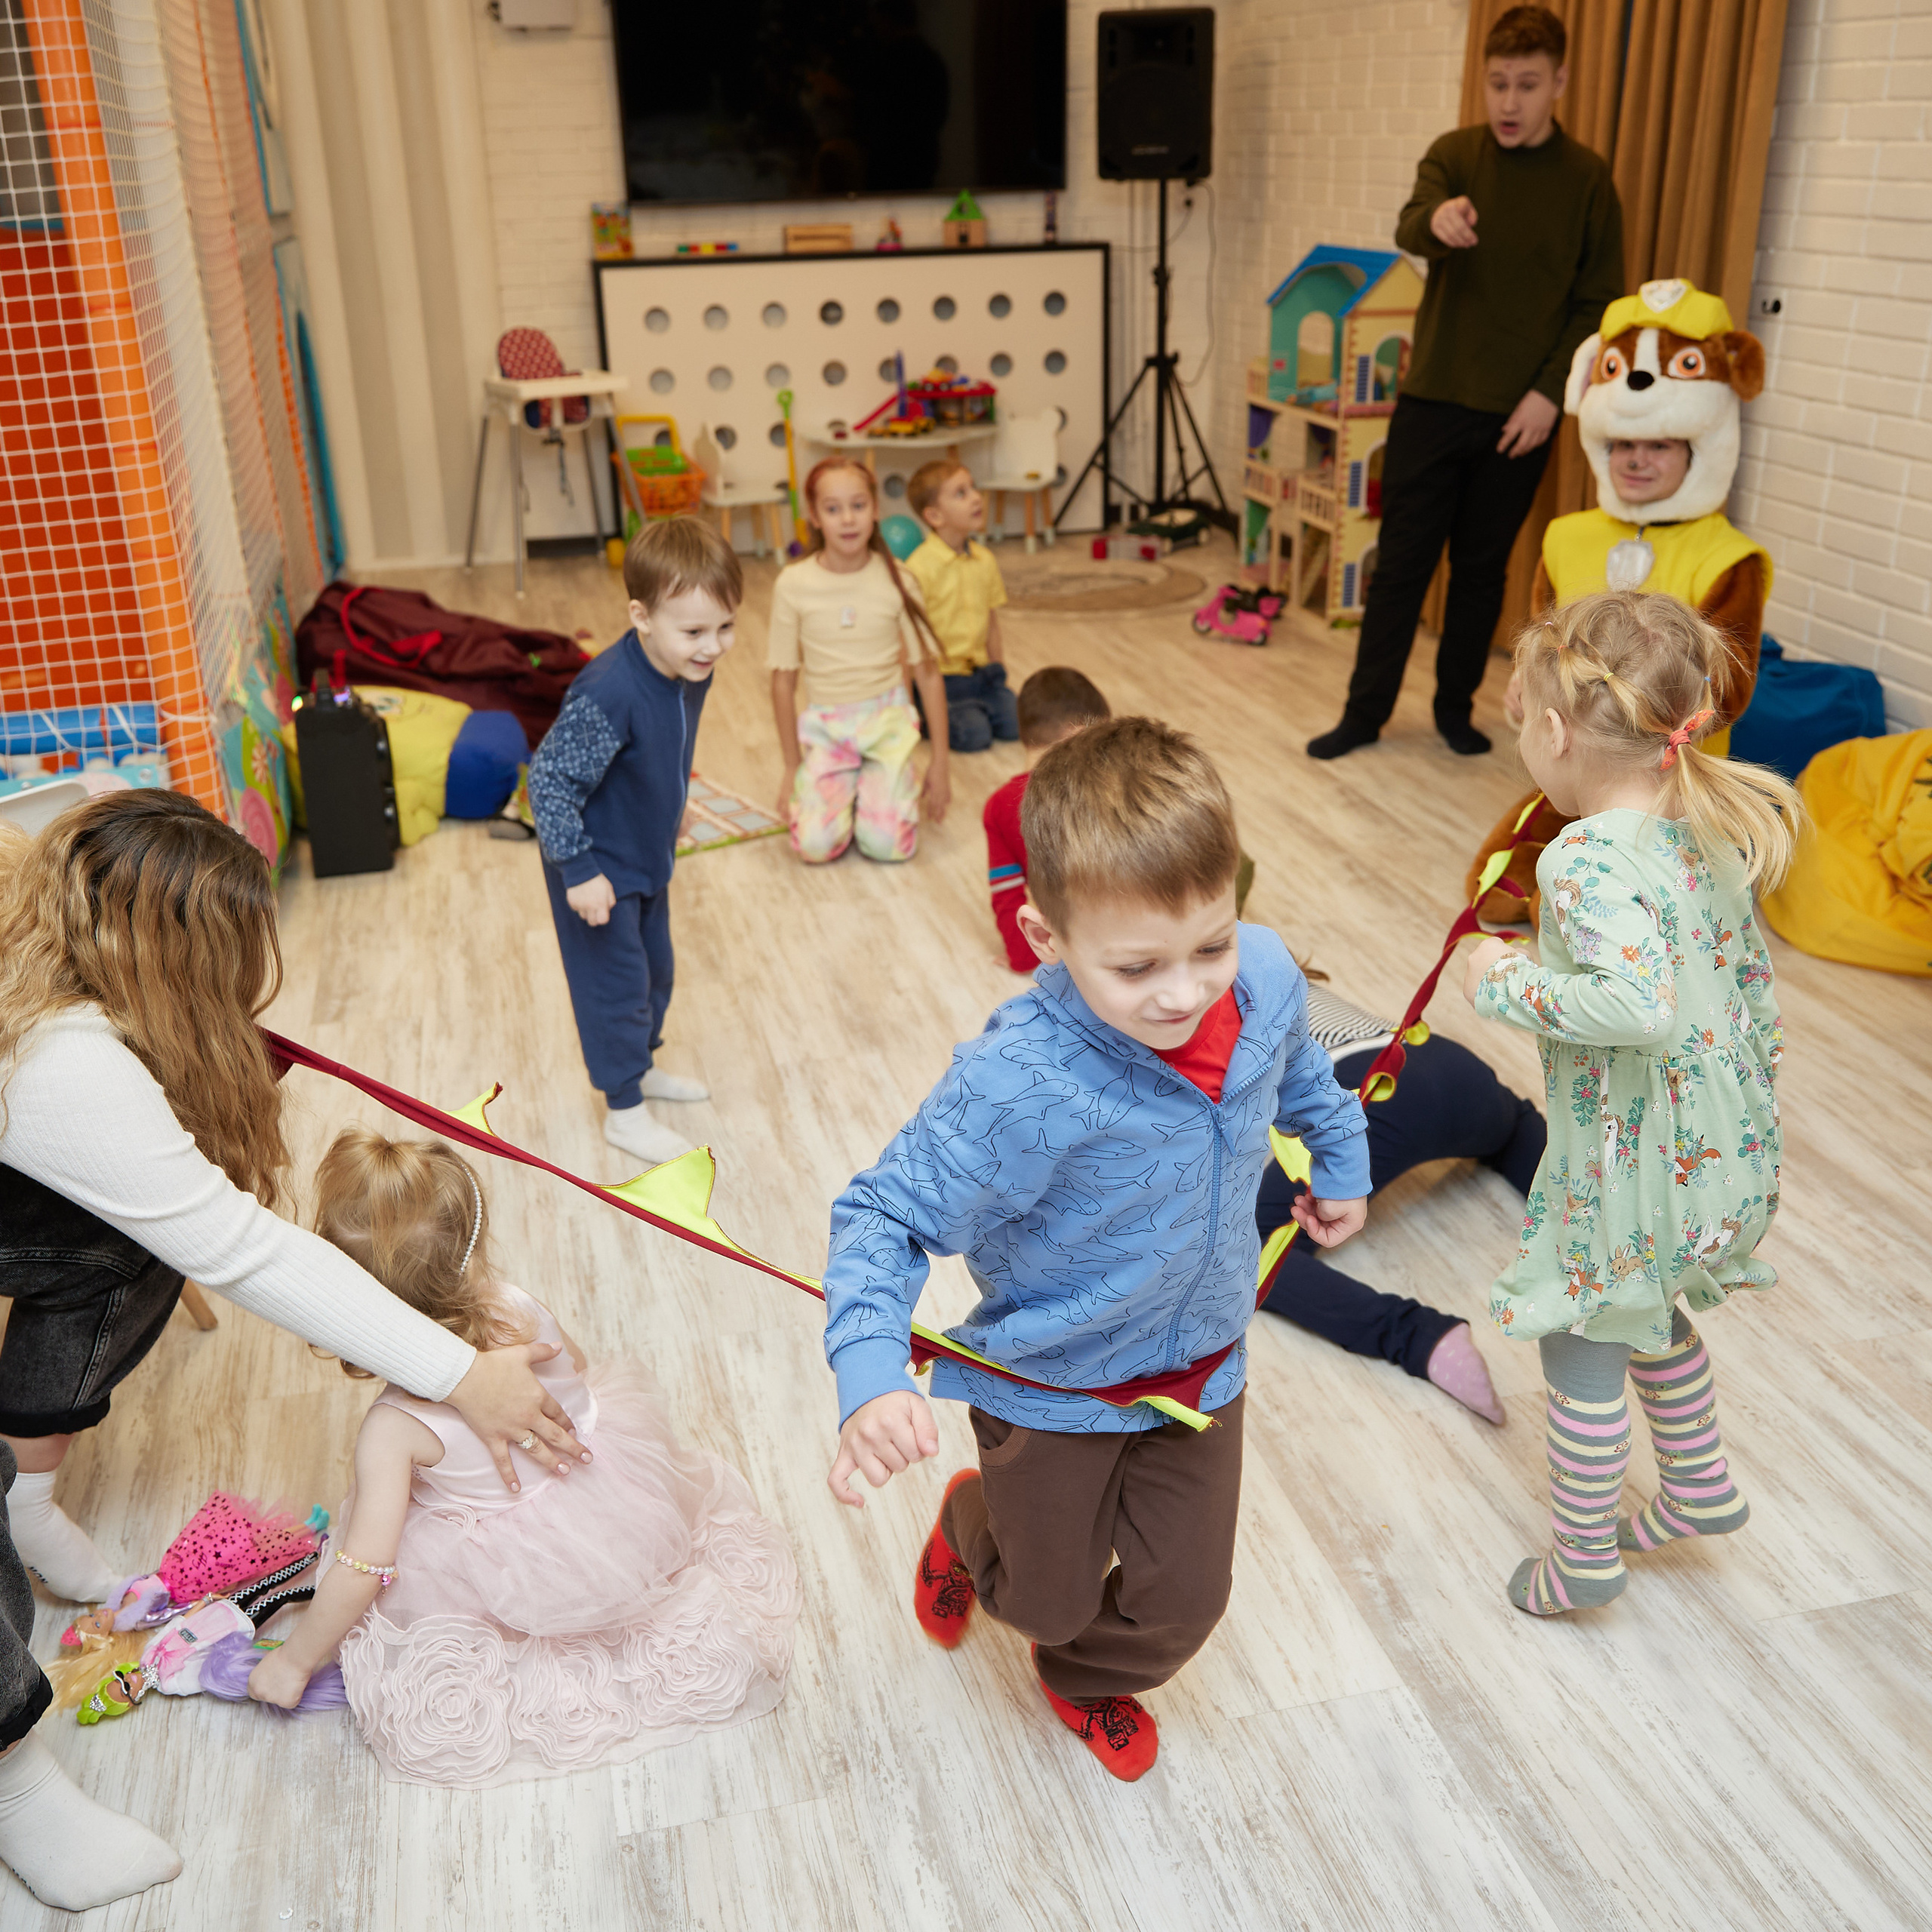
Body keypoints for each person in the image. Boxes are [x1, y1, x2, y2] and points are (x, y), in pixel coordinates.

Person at [0, 792, 584, 1911]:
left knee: (125, 1241)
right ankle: (15, 1780)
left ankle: (25, 1495)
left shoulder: (43, 898)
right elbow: (240, 1247)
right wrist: (462, 1375)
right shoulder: (66, 1064)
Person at [821, 718, 1370, 1781]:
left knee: (1183, 1606)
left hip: (1205, 1364)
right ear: (1045, 936)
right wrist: (869, 1373)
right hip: (1053, 1385)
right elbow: (881, 1216)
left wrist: (1337, 1159)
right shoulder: (1015, 1084)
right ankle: (971, 1520)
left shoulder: (1262, 976)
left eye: (1210, 942)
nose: (1185, 990)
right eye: (1136, 965)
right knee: (1044, 1597)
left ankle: (1081, 1682)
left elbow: (1301, 1070)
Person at [248, 1129, 800, 1784]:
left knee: (394, 1548)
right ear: (472, 1244)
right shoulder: (518, 1307)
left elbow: (366, 1566)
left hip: (526, 1569)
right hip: (612, 1507)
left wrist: (294, 1661)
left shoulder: (393, 1429)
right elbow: (584, 1370)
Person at [1459, 589, 1799, 1615]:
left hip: (1635, 1166)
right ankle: (1695, 1484)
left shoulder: (1582, 858)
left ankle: (1581, 1561)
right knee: (1645, 1311)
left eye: (1521, 721)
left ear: (1557, 731)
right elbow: (1745, 989)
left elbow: (1631, 1005)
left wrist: (1503, 981)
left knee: (1580, 1336)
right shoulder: (1703, 833)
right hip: (1722, 1157)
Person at [1307, 4, 1624, 761]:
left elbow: (1597, 303)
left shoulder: (1587, 181)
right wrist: (1435, 220)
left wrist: (1550, 393)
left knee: (1482, 573)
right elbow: (1411, 224)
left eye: (1525, 84)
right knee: (1401, 565)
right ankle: (1365, 714)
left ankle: (1455, 710)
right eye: (1496, 84)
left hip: (1521, 417)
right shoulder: (1453, 155)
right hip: (1431, 402)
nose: (1508, 102)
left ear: (1559, 82)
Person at [1466, 279, 1774, 924]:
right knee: (1494, 895)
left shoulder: (1728, 557)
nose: (1637, 460)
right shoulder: (1566, 534)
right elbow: (1540, 635)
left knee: (1646, 918)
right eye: (1625, 446)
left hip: (1673, 786)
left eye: (1657, 446)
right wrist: (1525, 680)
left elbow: (1732, 689)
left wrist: (1625, 729)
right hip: (1571, 766)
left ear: (1693, 449)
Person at [528, 517, 740, 1170]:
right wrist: (580, 870)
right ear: (641, 616)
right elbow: (548, 783)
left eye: (725, 628)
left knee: (656, 970)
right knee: (616, 986)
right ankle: (624, 1113)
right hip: (596, 866)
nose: (713, 648)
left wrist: (674, 804)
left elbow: (663, 746)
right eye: (695, 632)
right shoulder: (611, 690)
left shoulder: (685, 670)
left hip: (646, 853)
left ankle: (640, 1069)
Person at [1254, 980, 1541, 1427]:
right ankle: (1597, 1220)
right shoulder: (1292, 981)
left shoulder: (1205, 1010)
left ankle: (1419, 1336)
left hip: (1364, 1092)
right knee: (1514, 1122)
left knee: (1256, 1248)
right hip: (1446, 1061)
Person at [768, 458, 951, 866]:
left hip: (888, 725)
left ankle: (887, 782)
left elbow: (927, 674)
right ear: (813, 517)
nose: (848, 520)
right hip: (827, 730)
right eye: (833, 509)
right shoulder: (793, 584)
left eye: (858, 505)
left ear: (875, 509)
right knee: (814, 848)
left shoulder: (899, 579)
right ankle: (850, 790)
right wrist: (792, 769)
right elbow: (783, 683)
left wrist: (940, 762)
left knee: (888, 847)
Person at [983, 666, 1109, 972]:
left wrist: (1022, 956)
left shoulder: (999, 807)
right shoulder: (1103, 787)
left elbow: (1007, 892)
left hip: (1071, 948)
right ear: (1078, 736)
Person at [903, 459, 1018, 753]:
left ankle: (981, 707)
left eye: (973, 488)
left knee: (1016, 723)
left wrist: (998, 671)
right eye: (961, 493)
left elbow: (991, 621)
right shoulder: (919, 568)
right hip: (943, 680)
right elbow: (909, 641)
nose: (976, 497)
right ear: (935, 516)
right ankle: (931, 716)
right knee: (974, 735)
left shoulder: (984, 559)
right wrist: (910, 702)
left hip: (982, 674)